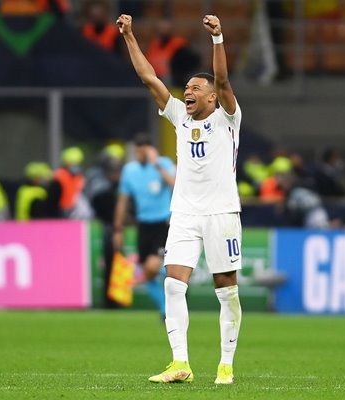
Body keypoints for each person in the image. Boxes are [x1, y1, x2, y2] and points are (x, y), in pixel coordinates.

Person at [117, 13, 243, 384]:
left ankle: (226, 364)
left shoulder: (227, 119)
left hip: (222, 213)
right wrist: (129, 36)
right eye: (185, 87)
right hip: (185, 212)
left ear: (210, 96)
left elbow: (222, 79)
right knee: (173, 283)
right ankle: (180, 363)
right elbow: (148, 77)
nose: (186, 91)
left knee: (226, 291)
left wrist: (218, 38)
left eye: (194, 88)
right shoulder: (179, 119)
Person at [112, 135, 174, 315]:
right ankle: (165, 310)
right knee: (147, 274)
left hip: (162, 223)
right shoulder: (129, 171)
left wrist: (157, 165)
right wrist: (118, 229)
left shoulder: (164, 164)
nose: (138, 154)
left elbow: (175, 185)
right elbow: (123, 201)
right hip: (143, 225)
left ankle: (176, 276)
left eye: (142, 151)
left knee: (152, 267)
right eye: (136, 151)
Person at [85, 144, 126, 308]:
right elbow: (98, 203)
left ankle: (118, 298)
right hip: (107, 226)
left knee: (120, 263)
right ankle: (111, 300)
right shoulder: (102, 183)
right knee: (111, 262)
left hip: (112, 225)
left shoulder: (112, 182)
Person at [51, 146, 93, 219]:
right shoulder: (59, 175)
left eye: (76, 163)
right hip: (61, 210)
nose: (74, 165)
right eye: (72, 163)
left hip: (76, 210)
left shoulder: (79, 176)